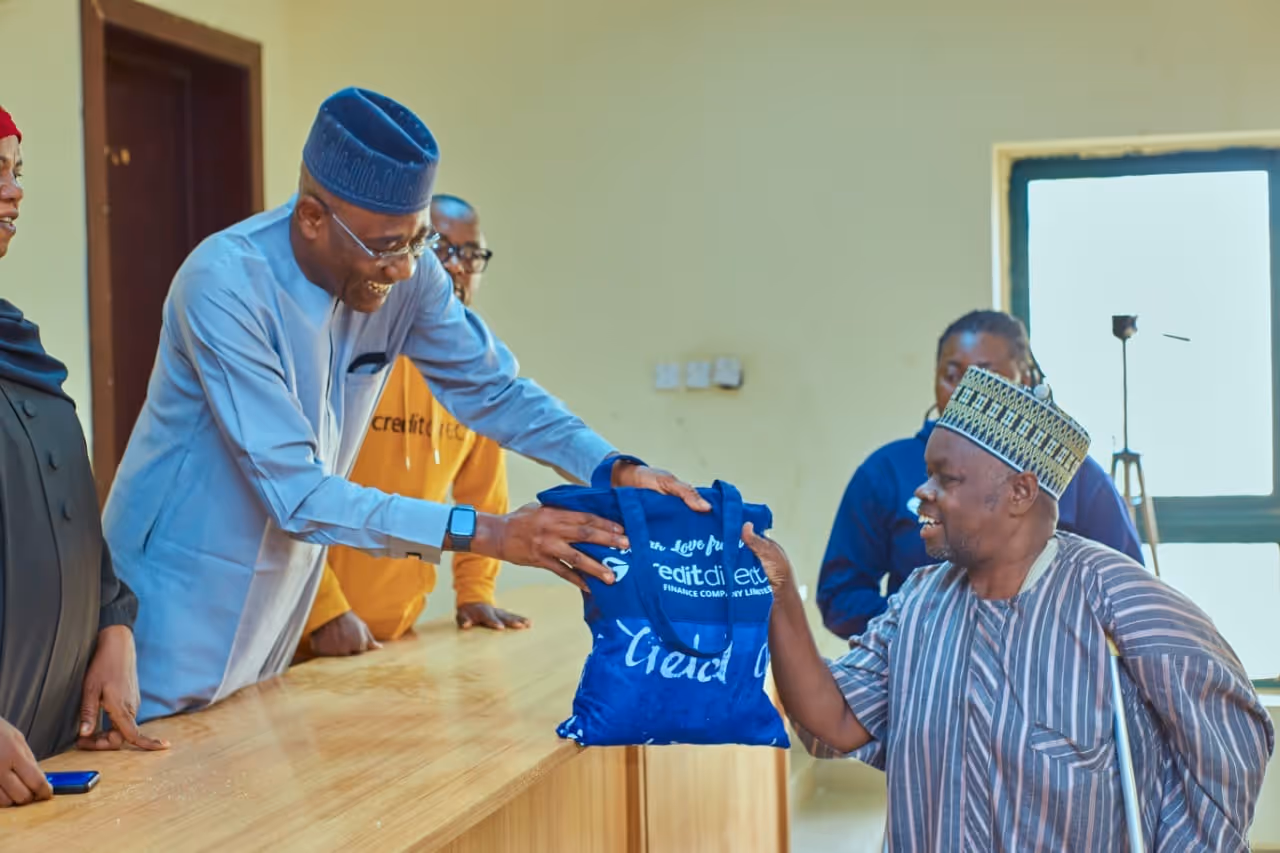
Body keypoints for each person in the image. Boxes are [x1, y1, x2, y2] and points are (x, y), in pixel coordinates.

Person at [103, 87, 707, 722]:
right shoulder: (226, 283)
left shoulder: (409, 274)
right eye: (387, 246)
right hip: (165, 611)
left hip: (275, 612)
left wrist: (613, 468)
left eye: (418, 243)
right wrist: (492, 533)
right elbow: (299, 494)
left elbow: (495, 389)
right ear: (311, 216)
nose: (403, 269)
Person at [746, 366, 1273, 850]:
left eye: (945, 479)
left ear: (1020, 491)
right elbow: (834, 720)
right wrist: (782, 593)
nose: (922, 493)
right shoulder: (919, 603)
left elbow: (1229, 735)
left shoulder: (1114, 596)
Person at [0, 106, 166, 807]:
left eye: (17, 173)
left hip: (49, 773)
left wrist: (114, 625)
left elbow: (74, 531)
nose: (15, 193)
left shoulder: (21, 348)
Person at [817, 309, 1143, 641]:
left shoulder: (1074, 476)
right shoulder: (885, 472)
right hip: (919, 674)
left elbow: (1127, 592)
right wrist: (920, 626)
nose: (964, 391)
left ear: (1025, 379)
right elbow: (839, 595)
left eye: (984, 376)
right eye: (952, 375)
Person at [301, 194, 523, 658]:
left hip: (393, 638)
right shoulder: (338, 351)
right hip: (302, 635)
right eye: (442, 249)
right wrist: (324, 612)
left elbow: (483, 498)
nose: (458, 267)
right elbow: (285, 493)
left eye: (471, 254)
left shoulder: (471, 373)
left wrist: (475, 592)